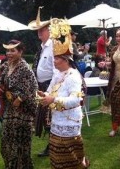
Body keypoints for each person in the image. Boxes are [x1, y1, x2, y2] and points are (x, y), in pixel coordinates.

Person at [38, 18, 89, 168]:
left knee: (71, 159)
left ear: (66, 60)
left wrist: (52, 99)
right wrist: (43, 95)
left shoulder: (73, 76)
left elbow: (75, 101)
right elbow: (49, 91)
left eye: (57, 58)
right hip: (57, 121)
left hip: (69, 123)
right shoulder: (58, 74)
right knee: (56, 157)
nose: (54, 61)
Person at [0, 40, 38, 168]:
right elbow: (0, 82)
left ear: (20, 52)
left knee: (20, 146)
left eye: (13, 50)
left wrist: (21, 98)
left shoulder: (25, 68)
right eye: (7, 50)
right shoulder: (5, 66)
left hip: (24, 111)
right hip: (9, 109)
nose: (9, 53)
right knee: (6, 143)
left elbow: (34, 87)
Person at [28, 7, 55, 157]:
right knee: (45, 118)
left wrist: (50, 91)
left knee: (49, 118)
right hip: (41, 86)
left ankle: (52, 146)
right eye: (38, 30)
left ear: (49, 30)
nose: (39, 33)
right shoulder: (43, 47)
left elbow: (57, 70)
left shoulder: (53, 46)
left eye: (42, 30)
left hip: (50, 87)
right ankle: (51, 145)